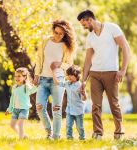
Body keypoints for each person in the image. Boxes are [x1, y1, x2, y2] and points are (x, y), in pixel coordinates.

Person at [77, 10, 131, 140]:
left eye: (84, 24)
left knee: (114, 103)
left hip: (111, 73)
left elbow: (125, 47)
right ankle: (98, 133)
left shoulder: (112, 28)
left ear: (89, 19)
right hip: (95, 74)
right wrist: (83, 80)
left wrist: (123, 70)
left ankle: (119, 132)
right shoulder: (90, 37)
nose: (83, 27)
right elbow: (88, 59)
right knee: (96, 105)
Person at [33, 20, 76, 139]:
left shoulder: (66, 46)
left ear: (65, 34)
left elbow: (69, 64)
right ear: (53, 30)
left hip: (58, 80)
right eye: (56, 32)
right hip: (43, 79)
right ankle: (49, 131)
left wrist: (59, 64)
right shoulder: (46, 41)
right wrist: (36, 75)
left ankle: (56, 136)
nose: (58, 35)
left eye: (61, 34)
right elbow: (39, 59)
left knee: (56, 109)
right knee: (39, 106)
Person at [51, 65, 87, 140]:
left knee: (79, 127)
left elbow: (84, 99)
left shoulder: (80, 86)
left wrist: (83, 94)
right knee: (68, 125)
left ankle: (82, 138)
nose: (69, 77)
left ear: (77, 75)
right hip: (69, 110)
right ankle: (69, 138)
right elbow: (57, 83)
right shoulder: (67, 83)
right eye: (68, 75)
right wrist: (53, 72)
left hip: (78, 111)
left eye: (71, 75)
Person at [5, 67, 37, 139]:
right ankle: (23, 135)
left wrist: (36, 84)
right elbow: (12, 99)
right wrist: (9, 109)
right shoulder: (14, 87)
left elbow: (34, 90)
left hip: (24, 109)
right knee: (12, 125)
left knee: (20, 124)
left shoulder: (26, 87)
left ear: (24, 77)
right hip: (15, 110)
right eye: (16, 76)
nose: (17, 78)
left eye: (19, 76)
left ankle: (20, 140)